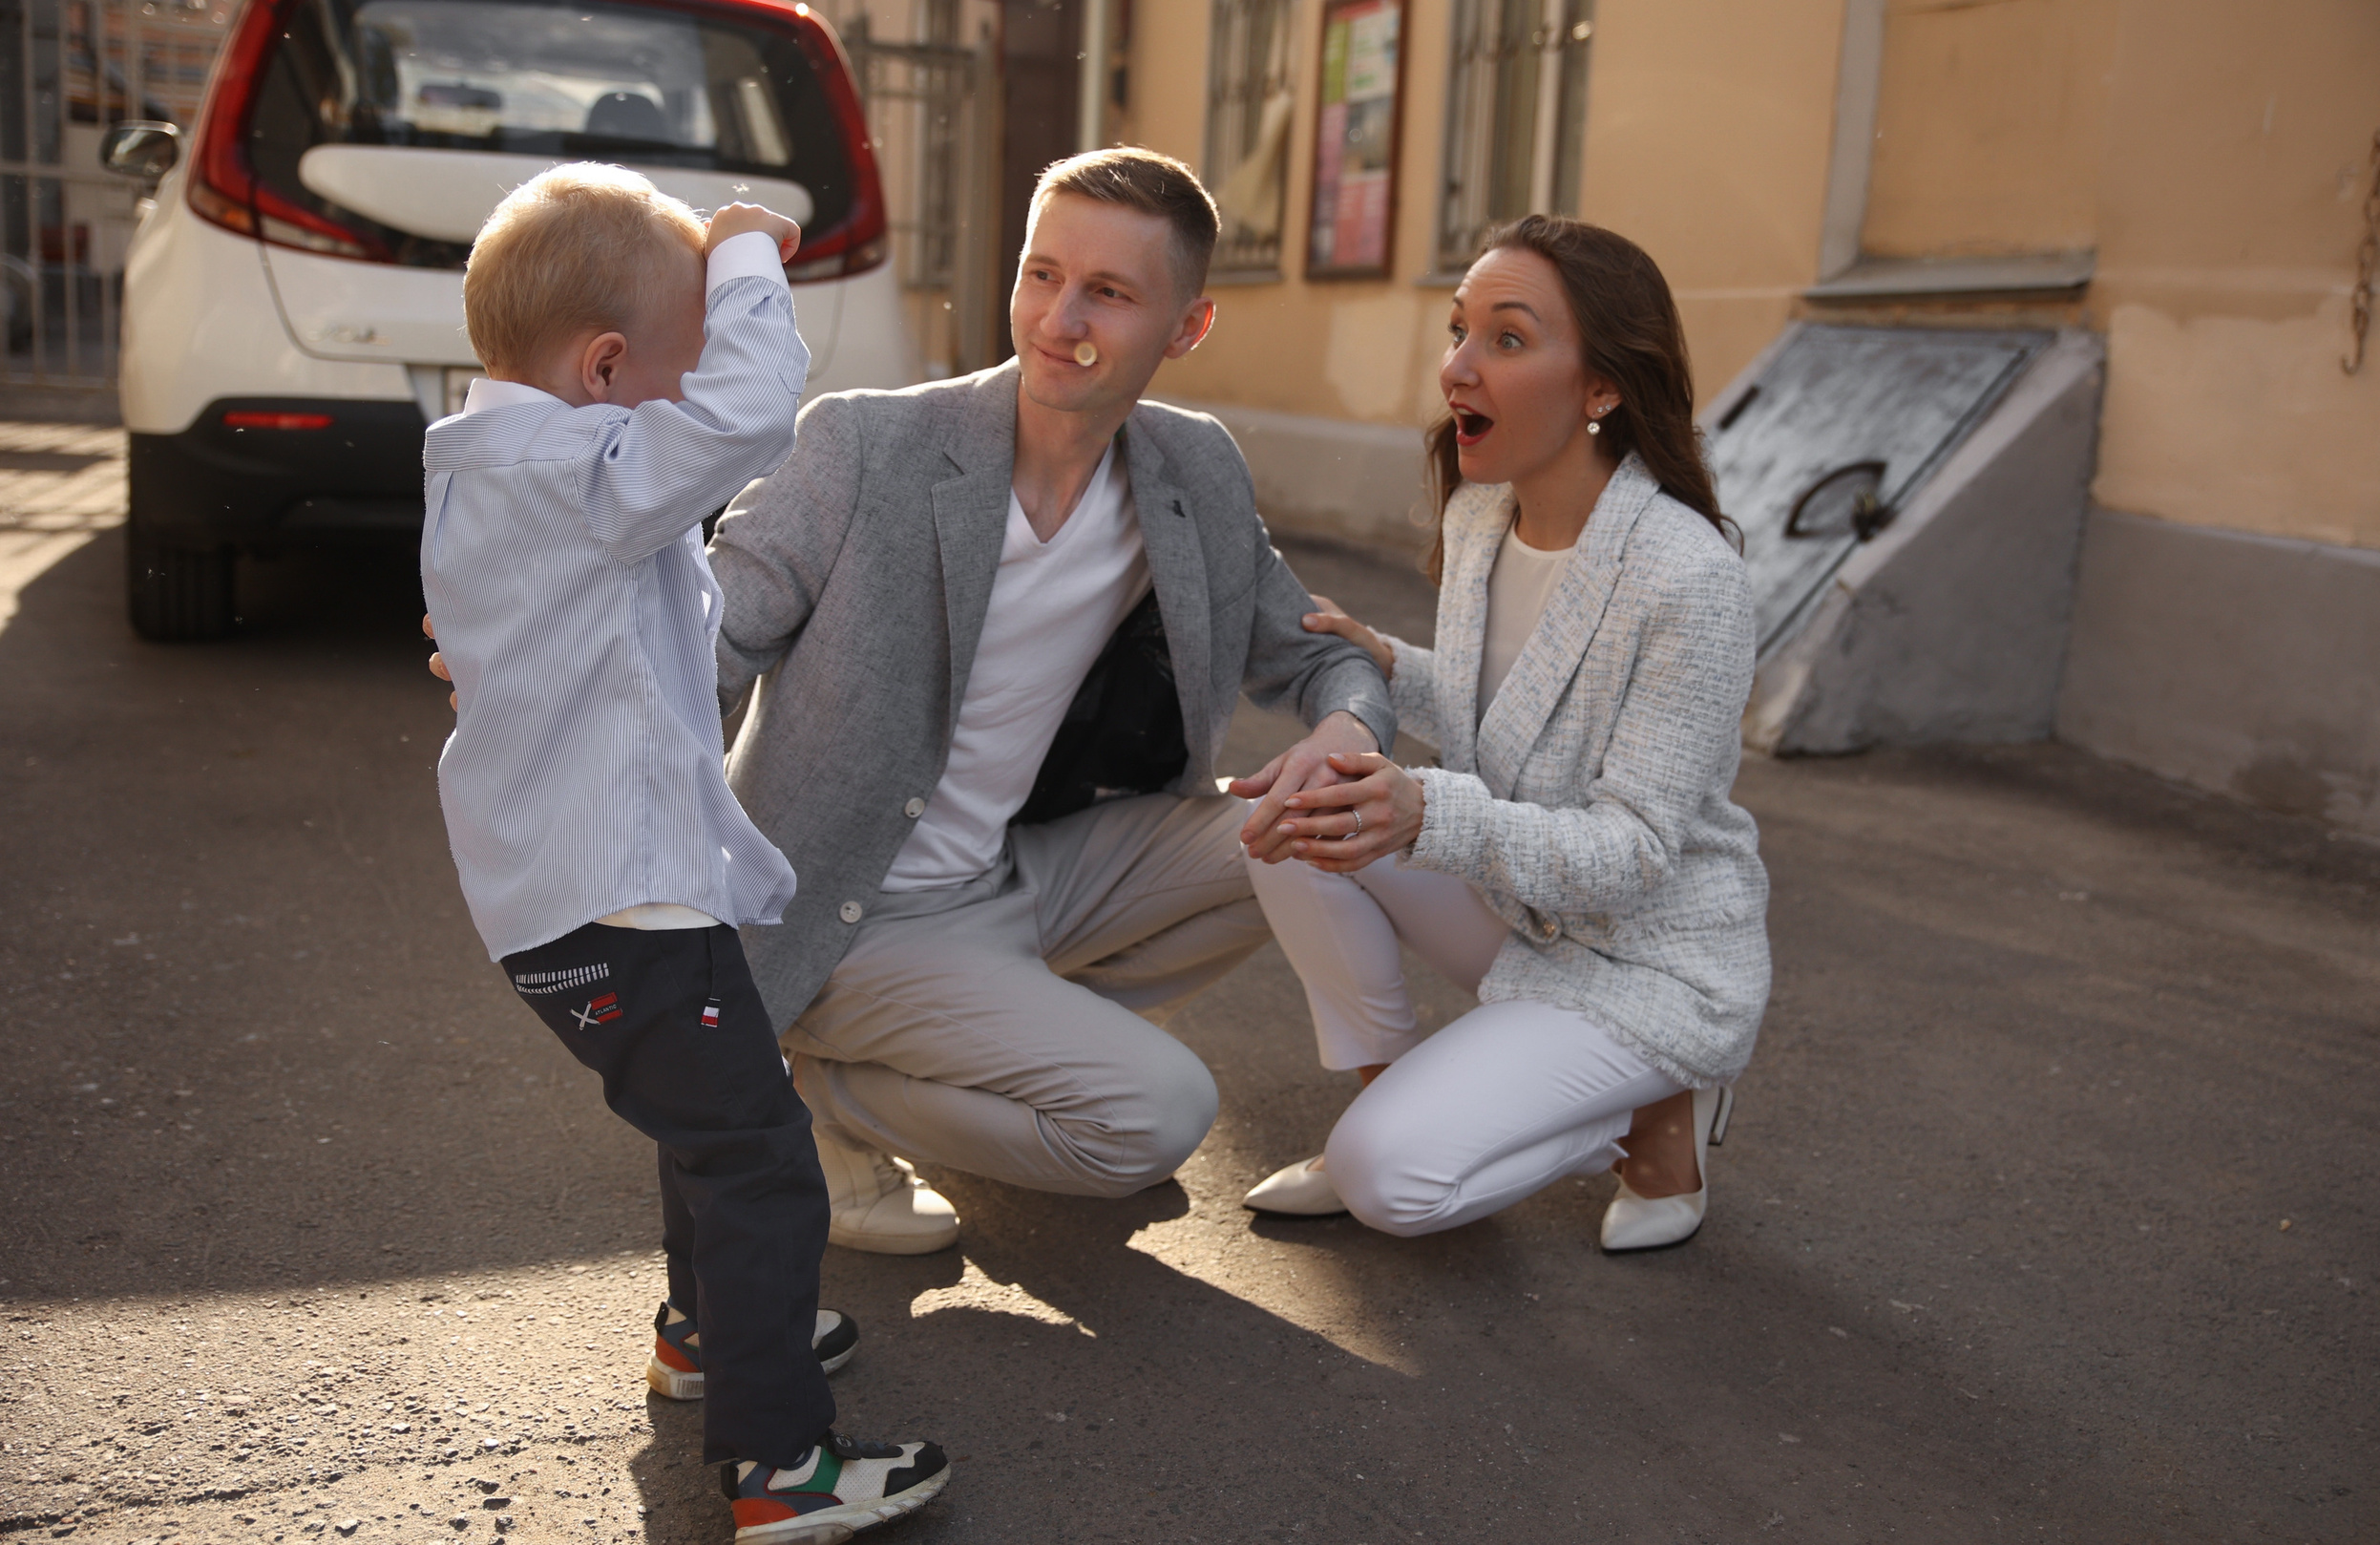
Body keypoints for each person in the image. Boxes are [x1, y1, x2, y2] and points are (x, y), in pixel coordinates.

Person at [706, 147, 1395, 1254]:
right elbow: (706, 636)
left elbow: (1316, 649)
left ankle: (988, 1052)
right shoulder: (865, 444)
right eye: (1042, 274)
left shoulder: (1190, 467)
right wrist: (544, 675)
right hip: (846, 912)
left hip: (1020, 874)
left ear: (1187, 326)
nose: (1058, 318)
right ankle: (812, 1090)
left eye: (1108, 293)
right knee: (1157, 1119)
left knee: (1317, 827)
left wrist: (1348, 725)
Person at [418, 163, 948, 1539]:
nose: (694, 390)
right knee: (762, 1161)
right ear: (603, 371)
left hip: (566, 903)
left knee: (707, 1122)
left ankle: (707, 1333)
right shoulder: (580, 470)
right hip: (629, 902)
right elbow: (750, 412)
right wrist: (745, 253)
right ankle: (781, 1467)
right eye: (681, 361)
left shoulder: (480, 463)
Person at [1235, 213, 1772, 1253]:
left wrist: (1424, 811)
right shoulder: (1483, 516)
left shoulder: (1689, 578)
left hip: (1644, 957)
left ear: (1602, 387)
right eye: (1459, 331)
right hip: (1527, 904)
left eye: (1508, 339)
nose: (1457, 369)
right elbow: (1516, 711)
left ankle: (1655, 1101)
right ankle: (1389, 1097)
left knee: (1393, 1183)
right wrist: (1391, 666)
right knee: (1287, 815)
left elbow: (1634, 850)